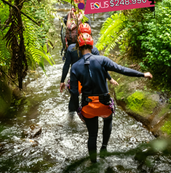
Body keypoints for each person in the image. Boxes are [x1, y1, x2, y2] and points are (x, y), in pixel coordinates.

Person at [69, 33, 153, 163]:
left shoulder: (74, 67)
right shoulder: (102, 60)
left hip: (88, 106)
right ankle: (104, 148)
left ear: (79, 48)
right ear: (92, 46)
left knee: (92, 135)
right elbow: (122, 69)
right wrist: (142, 74)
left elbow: (74, 93)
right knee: (108, 120)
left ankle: (93, 163)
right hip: (104, 105)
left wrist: (78, 110)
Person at [60, 24, 118, 113]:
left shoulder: (71, 48)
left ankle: (71, 117)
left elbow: (66, 65)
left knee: (74, 95)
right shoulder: (94, 50)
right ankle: (86, 113)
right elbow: (100, 67)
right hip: (89, 80)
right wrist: (110, 78)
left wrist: (62, 81)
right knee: (88, 97)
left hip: (76, 79)